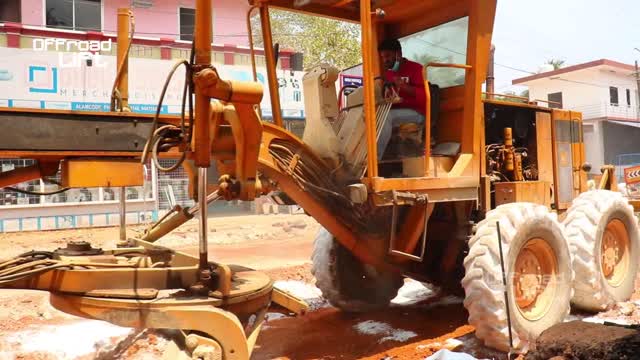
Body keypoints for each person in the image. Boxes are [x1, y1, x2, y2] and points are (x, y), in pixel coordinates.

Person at [376, 38, 427, 160]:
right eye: (382, 57)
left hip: (418, 112)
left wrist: (404, 87)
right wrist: (387, 95)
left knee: (386, 117)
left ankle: (375, 159)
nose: (385, 60)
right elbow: (392, 97)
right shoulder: (389, 74)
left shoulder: (417, 69)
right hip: (398, 111)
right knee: (373, 115)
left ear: (398, 54)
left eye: (387, 56)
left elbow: (424, 97)